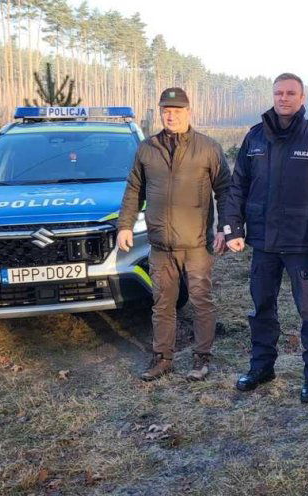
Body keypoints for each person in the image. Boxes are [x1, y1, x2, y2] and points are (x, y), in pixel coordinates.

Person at [224, 73, 308, 404]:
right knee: (261, 307)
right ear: (273, 96)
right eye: (279, 93)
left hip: (303, 245)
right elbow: (238, 186)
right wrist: (233, 227)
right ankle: (262, 367)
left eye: (291, 93)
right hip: (263, 243)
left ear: (302, 98)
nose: (284, 98)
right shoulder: (255, 138)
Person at [118, 87, 232, 382]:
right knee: (163, 302)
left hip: (196, 244)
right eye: (166, 111)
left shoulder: (207, 148)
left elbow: (226, 191)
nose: (171, 116)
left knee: (201, 300)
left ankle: (201, 358)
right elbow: (134, 190)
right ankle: (162, 358)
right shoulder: (147, 149)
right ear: (161, 113)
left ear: (188, 112)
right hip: (161, 244)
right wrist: (125, 226)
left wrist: (226, 228)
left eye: (177, 111)